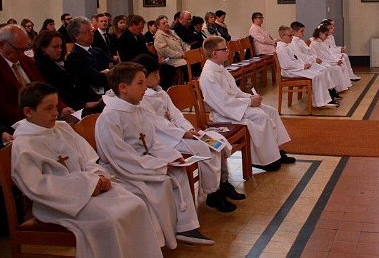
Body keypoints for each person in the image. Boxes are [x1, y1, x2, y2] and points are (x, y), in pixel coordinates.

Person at [12, 82, 163, 258]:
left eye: (56, 106)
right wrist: (88, 185)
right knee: (110, 219)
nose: (55, 113)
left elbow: (88, 159)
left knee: (136, 204)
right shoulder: (24, 145)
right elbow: (37, 186)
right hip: (58, 204)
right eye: (48, 108)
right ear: (28, 112)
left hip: (89, 190)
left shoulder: (62, 128)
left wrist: (99, 176)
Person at [95, 62, 214, 246]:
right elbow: (120, 156)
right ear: (123, 88)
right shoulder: (109, 117)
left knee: (178, 171)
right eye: (140, 83)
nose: (145, 88)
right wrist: (158, 165)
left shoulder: (136, 109)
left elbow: (152, 143)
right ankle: (162, 237)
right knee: (162, 183)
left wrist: (171, 157)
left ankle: (185, 227)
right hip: (124, 170)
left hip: (142, 162)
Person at [134, 54, 246, 213]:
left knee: (217, 142)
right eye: (154, 75)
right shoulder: (143, 100)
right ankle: (213, 193)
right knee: (205, 148)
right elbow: (159, 125)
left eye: (158, 73)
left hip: (182, 134)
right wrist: (183, 134)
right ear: (143, 77)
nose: (158, 78)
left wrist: (189, 129)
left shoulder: (161, 92)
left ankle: (223, 182)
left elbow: (176, 114)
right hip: (168, 140)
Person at [200, 36, 294, 172]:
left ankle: (275, 152)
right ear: (214, 53)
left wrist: (251, 97)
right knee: (261, 117)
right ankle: (263, 160)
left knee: (270, 111)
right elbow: (222, 103)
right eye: (224, 49)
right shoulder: (209, 75)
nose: (228, 51)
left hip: (235, 107)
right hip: (224, 114)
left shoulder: (220, 69)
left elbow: (236, 92)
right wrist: (249, 102)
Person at [0, 25, 74, 127]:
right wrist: (37, 116)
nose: (22, 53)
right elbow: (2, 108)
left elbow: (43, 89)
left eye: (24, 49)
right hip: (20, 123)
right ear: (2, 45)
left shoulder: (26, 61)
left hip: (43, 116)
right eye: (18, 50)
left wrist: (61, 108)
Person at [33, 30, 103, 113]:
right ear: (43, 49)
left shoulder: (64, 63)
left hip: (83, 102)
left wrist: (96, 99)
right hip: (70, 109)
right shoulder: (42, 68)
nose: (60, 50)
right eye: (55, 47)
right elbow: (59, 93)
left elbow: (81, 83)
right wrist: (85, 104)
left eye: (61, 46)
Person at [276, 25, 339, 108]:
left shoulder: (286, 46)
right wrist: (302, 66)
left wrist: (304, 64)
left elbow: (296, 59)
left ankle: (325, 98)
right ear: (283, 36)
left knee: (319, 72)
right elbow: (287, 65)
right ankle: (320, 102)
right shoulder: (281, 48)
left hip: (295, 68)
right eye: (290, 35)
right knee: (317, 75)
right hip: (289, 72)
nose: (292, 37)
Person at [290, 21, 350, 93]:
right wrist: (314, 60)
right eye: (301, 31)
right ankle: (327, 92)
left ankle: (330, 91)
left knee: (326, 68)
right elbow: (301, 56)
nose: (304, 33)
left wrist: (314, 59)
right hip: (304, 64)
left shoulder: (301, 41)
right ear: (294, 32)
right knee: (324, 70)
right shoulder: (294, 43)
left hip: (311, 61)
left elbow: (310, 53)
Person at [65, 17, 113, 97]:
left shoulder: (97, 51)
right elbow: (95, 80)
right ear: (76, 35)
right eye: (87, 31)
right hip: (92, 96)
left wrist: (106, 72)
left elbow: (114, 65)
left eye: (91, 30)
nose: (92, 34)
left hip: (108, 90)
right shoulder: (74, 57)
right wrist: (107, 72)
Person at [309, 23, 353, 90]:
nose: (327, 37)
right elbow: (322, 57)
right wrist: (335, 62)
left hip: (325, 61)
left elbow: (328, 54)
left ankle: (340, 87)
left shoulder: (321, 42)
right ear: (320, 34)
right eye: (326, 35)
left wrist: (336, 60)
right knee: (336, 68)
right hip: (320, 62)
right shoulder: (315, 44)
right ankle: (334, 89)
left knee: (340, 65)